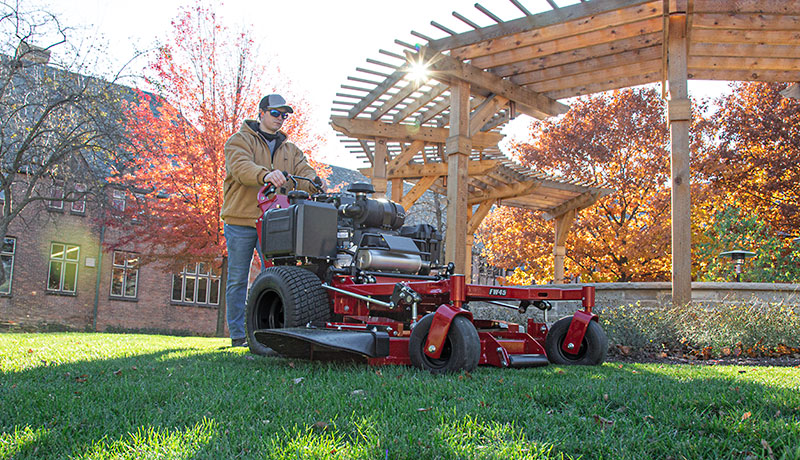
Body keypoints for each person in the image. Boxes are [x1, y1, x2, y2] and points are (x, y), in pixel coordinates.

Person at [220, 94, 318, 348]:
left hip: (275, 222)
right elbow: (241, 168)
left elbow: (305, 174)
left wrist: (317, 183)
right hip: (241, 219)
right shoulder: (239, 141)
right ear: (262, 113)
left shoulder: (290, 150)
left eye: (284, 115)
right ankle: (238, 336)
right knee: (238, 279)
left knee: (275, 277)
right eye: (275, 113)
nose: (280, 119)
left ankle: (271, 334)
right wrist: (265, 175)